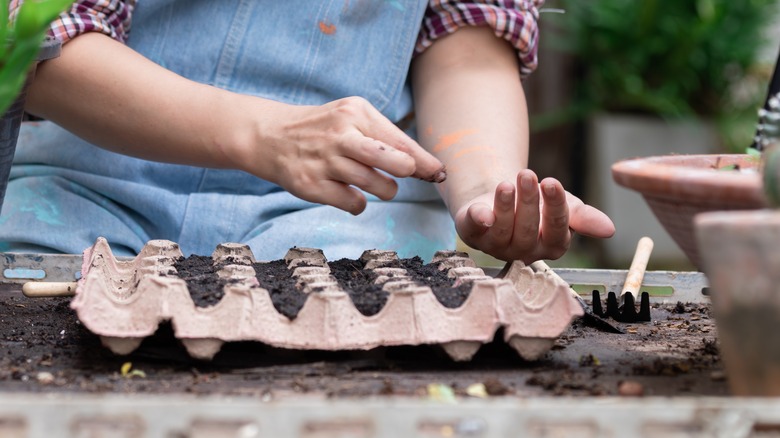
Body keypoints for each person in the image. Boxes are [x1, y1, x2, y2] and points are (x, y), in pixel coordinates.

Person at [1, 0, 614, 264]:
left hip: (342, 208)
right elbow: (39, 47)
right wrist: (264, 134)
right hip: (84, 181)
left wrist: (486, 188)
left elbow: (466, 46)